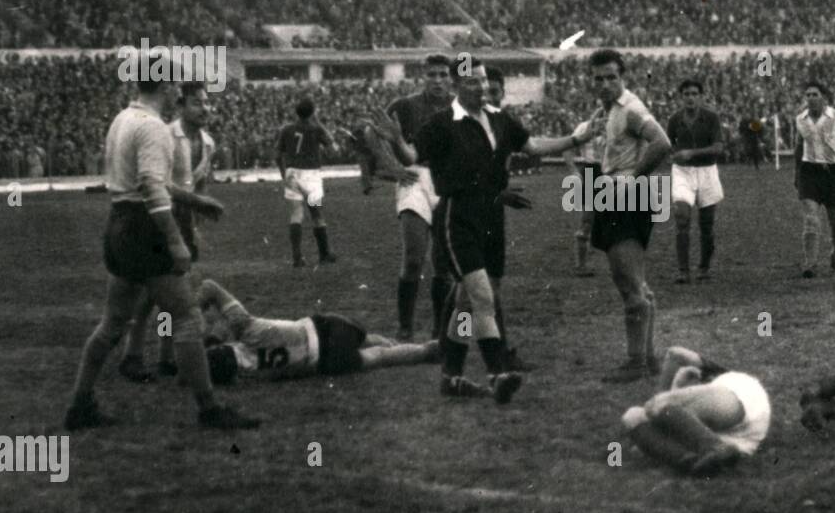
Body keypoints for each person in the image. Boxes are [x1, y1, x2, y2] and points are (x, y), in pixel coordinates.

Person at [63, 61, 257, 431]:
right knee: (186, 316)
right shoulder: (153, 127)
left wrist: (197, 202)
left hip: (119, 224)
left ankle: (80, 405)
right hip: (144, 229)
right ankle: (209, 409)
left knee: (112, 322)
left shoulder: (123, 119)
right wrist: (174, 239)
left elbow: (150, 182)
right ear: (166, 86)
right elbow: (153, 187)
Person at [416, 65, 597, 403]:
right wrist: (387, 143)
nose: (481, 86)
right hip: (458, 216)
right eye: (472, 81)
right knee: (482, 297)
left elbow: (533, 147)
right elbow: (410, 154)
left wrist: (576, 139)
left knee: (467, 304)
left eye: (484, 80)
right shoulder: (442, 123)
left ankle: (451, 376)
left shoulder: (500, 118)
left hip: (493, 215)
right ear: (456, 85)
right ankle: (497, 372)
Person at [584, 49, 673, 383]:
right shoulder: (607, 111)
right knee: (631, 280)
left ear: (623, 77)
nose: (605, 83)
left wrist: (632, 181)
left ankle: (637, 362)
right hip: (614, 191)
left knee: (629, 281)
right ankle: (648, 358)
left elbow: (662, 143)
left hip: (628, 195)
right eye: (599, 78)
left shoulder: (631, 109)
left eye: (611, 77)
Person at [119, 81, 218, 382]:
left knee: (172, 295)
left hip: (184, 222)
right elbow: (158, 184)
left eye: (206, 103)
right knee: (152, 295)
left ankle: (166, 356)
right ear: (181, 106)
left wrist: (196, 227)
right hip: (161, 220)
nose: (205, 109)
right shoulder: (167, 136)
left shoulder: (208, 142)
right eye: (197, 103)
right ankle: (133, 354)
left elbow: (200, 186)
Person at [197, 279, 439, 383]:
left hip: (323, 361)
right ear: (226, 347)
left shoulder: (252, 378)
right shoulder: (248, 330)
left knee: (379, 357)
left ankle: (425, 351)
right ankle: (426, 347)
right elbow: (209, 287)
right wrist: (209, 335)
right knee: (370, 340)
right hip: (324, 329)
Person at [620, 347, 772, 476]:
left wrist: (666, 395)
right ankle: (695, 463)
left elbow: (676, 354)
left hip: (737, 398)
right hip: (731, 437)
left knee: (656, 406)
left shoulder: (726, 377)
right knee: (632, 416)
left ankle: (715, 448)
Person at [386, 54, 453, 340]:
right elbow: (369, 134)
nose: (437, 80)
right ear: (422, 76)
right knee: (414, 256)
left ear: (451, 77)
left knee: (444, 261)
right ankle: (405, 327)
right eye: (432, 75)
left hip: (448, 182)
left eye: (443, 75)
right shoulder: (405, 105)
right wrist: (391, 168)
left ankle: (440, 330)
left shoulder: (460, 106)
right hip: (415, 178)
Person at [793, 82, 835, 277]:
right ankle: (810, 264)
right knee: (811, 218)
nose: (810, 98)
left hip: (832, 172)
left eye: (815, 94)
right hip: (809, 171)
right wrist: (796, 173)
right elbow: (798, 146)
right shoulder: (800, 119)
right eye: (808, 95)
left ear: (824, 98)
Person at [666, 78, 725, 284]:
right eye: (686, 94)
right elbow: (670, 145)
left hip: (707, 172)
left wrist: (691, 153)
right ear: (681, 97)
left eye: (694, 94)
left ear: (700, 96)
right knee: (682, 217)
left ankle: (704, 267)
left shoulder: (711, 118)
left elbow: (718, 147)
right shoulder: (674, 120)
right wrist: (674, 155)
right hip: (683, 173)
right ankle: (683, 270)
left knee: (706, 225)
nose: (690, 98)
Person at [276, 96, 337, 268]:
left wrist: (284, 174)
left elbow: (277, 155)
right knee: (316, 214)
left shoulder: (286, 129)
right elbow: (333, 147)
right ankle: (324, 254)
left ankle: (297, 257)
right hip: (311, 175)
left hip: (292, 173)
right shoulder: (315, 129)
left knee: (296, 213)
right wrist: (319, 123)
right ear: (312, 112)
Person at [564, 114, 604, 278]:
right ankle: (581, 265)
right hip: (591, 172)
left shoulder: (619, 123)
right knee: (588, 219)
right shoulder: (585, 127)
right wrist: (573, 169)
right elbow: (568, 147)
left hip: (613, 171)